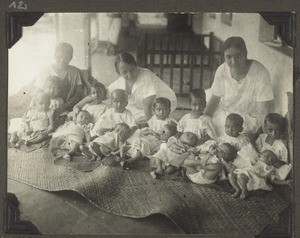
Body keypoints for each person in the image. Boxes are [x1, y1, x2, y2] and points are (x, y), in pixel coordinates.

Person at [204, 36, 274, 138]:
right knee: (210, 131)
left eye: (238, 56)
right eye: (228, 57)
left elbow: (263, 111)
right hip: (225, 116)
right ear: (224, 57)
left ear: (245, 54)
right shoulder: (222, 70)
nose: (233, 61)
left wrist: (262, 136)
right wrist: (203, 121)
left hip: (248, 119)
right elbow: (214, 99)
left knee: (240, 139)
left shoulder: (260, 72)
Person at [107, 52, 177, 125]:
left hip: (164, 104)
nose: (130, 75)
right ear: (119, 73)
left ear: (136, 66)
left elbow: (148, 107)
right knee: (122, 116)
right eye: (124, 72)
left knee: (152, 123)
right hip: (141, 106)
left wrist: (151, 127)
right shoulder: (120, 81)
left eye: (132, 70)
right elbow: (105, 92)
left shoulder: (146, 76)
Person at [33, 42, 84, 124]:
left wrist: (63, 107)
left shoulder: (74, 71)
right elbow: (37, 93)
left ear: (70, 58)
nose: (62, 60)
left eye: (66, 57)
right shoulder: (45, 70)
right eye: (59, 56)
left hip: (66, 108)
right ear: (54, 55)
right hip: (45, 109)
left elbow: (78, 94)